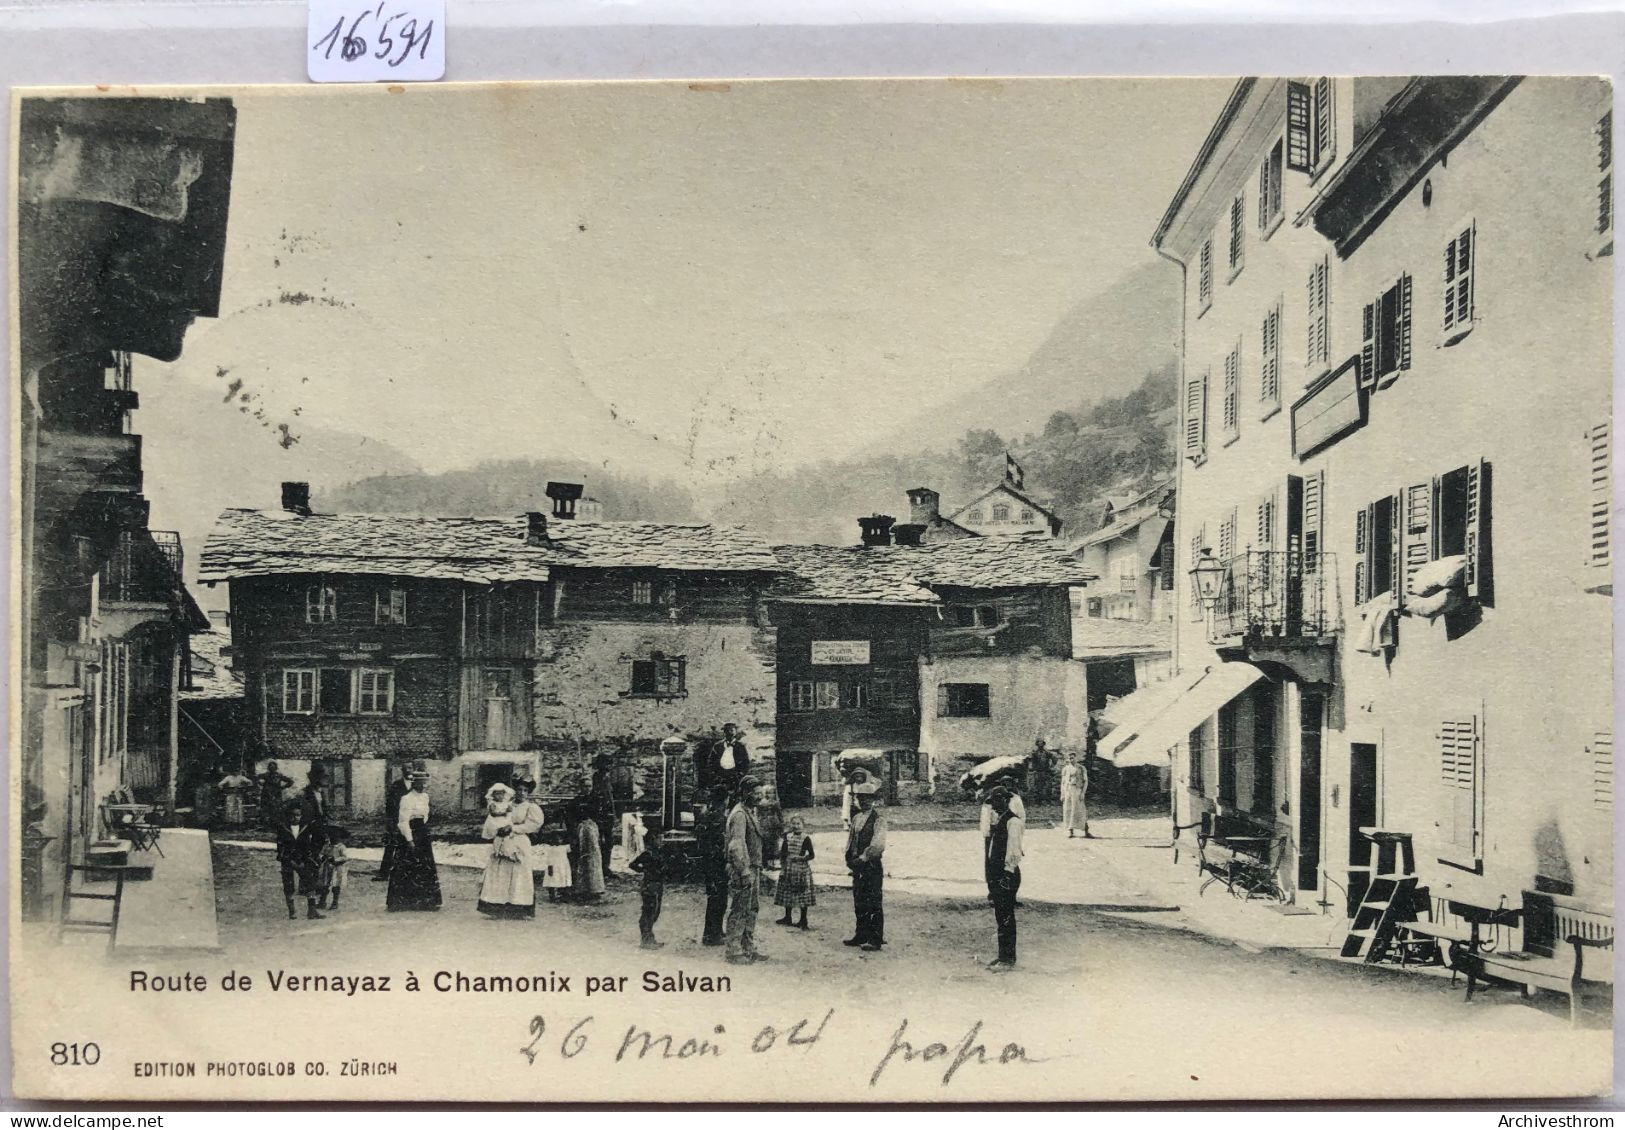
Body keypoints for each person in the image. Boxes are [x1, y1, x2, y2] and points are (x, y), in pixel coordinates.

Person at [478, 782, 542, 919]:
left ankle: (519, 908)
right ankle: (497, 907)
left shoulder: (530, 807)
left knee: (519, 873)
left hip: (519, 841)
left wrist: (513, 828)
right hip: (502, 840)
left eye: (525, 790)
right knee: (500, 872)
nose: (522, 793)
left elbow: (533, 825)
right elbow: (493, 819)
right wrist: (497, 830)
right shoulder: (505, 804)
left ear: (528, 792)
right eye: (519, 789)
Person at [724, 775, 767, 965]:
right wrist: (744, 871)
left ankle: (748, 948)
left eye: (761, 793)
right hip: (744, 869)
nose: (760, 797)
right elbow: (736, 845)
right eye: (756, 793)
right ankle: (733, 951)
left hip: (752, 868)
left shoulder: (750, 811)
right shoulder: (740, 814)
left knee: (751, 909)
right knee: (740, 909)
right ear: (746, 794)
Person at [387, 762, 442, 912]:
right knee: (407, 866)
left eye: (424, 782)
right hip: (410, 832)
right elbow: (403, 821)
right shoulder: (406, 798)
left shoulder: (425, 797)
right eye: (420, 782)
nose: (423, 785)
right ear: (414, 783)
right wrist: (409, 840)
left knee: (425, 866)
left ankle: (426, 901)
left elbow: (425, 816)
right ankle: (403, 902)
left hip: (422, 832)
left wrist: (422, 830)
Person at [843, 770, 887, 952]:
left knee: (873, 901)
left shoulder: (879, 820)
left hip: (871, 865)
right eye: (860, 798)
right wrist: (849, 857)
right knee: (859, 900)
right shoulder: (856, 818)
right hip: (858, 865)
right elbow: (851, 840)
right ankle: (860, 933)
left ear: (874, 800)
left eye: (867, 798)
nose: (863, 801)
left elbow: (878, 844)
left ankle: (875, 938)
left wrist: (864, 857)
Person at [985, 786, 1024, 971]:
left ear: (1004, 800)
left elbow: (1014, 850)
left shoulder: (1013, 822)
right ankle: (1003, 955)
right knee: (1001, 916)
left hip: (1006, 874)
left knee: (1006, 916)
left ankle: (1008, 959)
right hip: (998, 873)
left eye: (996, 802)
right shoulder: (1000, 819)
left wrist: (1008, 873)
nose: (993, 806)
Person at [293, 767, 331, 918]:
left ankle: (317, 893)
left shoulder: (322, 792)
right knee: (310, 861)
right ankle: (310, 897)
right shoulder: (304, 794)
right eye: (322, 777)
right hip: (309, 831)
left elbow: (324, 810)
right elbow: (302, 815)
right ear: (314, 778)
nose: (325, 780)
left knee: (322, 860)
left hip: (321, 829)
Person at [697, 784, 730, 946]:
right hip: (717, 864)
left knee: (714, 899)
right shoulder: (720, 819)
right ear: (725, 800)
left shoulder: (705, 815)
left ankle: (714, 931)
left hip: (707, 863)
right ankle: (712, 934)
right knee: (719, 899)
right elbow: (722, 843)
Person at [628, 827, 668, 949]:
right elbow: (632, 864)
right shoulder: (648, 853)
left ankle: (650, 937)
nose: (662, 841)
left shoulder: (658, 852)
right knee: (649, 912)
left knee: (655, 912)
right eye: (660, 838)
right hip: (649, 885)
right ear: (653, 839)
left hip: (657, 884)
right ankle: (646, 940)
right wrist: (645, 870)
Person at [774, 813, 816, 930]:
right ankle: (788, 917)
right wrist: (783, 866)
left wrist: (801, 858)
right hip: (788, 868)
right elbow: (783, 853)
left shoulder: (806, 838)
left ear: (803, 825)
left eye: (798, 824)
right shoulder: (787, 837)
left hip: (801, 869)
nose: (796, 826)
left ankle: (803, 920)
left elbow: (812, 855)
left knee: (803, 894)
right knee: (787, 892)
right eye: (793, 823)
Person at [375, 760, 410, 881]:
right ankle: (383, 873)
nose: (408, 771)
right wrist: (391, 821)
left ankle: (405, 874)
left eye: (410, 768)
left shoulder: (416, 786)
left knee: (408, 847)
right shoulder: (396, 785)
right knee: (391, 846)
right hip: (396, 821)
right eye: (406, 768)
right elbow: (390, 804)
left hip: (410, 822)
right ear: (402, 771)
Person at [588, 756, 616, 883]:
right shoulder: (597, 778)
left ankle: (606, 867)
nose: (608, 767)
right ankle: (599, 868)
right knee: (599, 842)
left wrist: (613, 813)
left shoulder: (607, 778)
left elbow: (610, 798)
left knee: (609, 842)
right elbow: (597, 796)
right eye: (606, 765)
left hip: (608, 815)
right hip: (599, 814)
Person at [573, 806, 607, 903]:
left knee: (587, 872)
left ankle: (588, 893)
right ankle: (595, 891)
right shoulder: (593, 825)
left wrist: (581, 852)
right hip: (595, 851)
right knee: (594, 871)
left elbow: (583, 842)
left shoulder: (583, 826)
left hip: (587, 852)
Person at [1061, 751, 1092, 838]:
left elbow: (1085, 781)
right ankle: (1070, 830)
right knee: (1068, 810)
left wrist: (1083, 793)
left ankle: (1086, 830)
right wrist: (1062, 793)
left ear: (1076, 758)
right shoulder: (1065, 769)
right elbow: (1063, 782)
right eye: (1069, 758)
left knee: (1080, 810)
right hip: (1068, 790)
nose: (1071, 760)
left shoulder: (1081, 768)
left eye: (1072, 758)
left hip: (1077, 790)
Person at [715, 723, 751, 794]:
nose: (729, 733)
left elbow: (745, 762)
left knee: (735, 794)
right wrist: (716, 775)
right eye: (727, 731)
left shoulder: (740, 746)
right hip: (721, 776)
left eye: (732, 730)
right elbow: (712, 761)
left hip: (735, 775)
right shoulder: (718, 746)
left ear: (735, 732)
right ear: (724, 733)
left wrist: (740, 774)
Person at [257, 761, 293, 830]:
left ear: (276, 768)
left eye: (273, 767)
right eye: (270, 767)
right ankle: (266, 826)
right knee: (266, 810)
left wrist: (283, 787)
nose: (272, 769)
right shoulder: (265, 775)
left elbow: (290, 782)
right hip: (266, 795)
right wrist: (260, 784)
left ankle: (275, 826)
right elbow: (256, 778)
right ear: (268, 768)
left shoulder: (279, 775)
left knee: (276, 810)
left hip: (276, 795)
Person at [322, 826, 351, 911]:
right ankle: (322, 901)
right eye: (331, 836)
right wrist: (322, 857)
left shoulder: (341, 847)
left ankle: (335, 902)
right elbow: (322, 853)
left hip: (337, 868)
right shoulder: (327, 845)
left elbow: (345, 857)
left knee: (335, 884)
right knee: (325, 884)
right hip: (327, 867)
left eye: (336, 837)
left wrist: (335, 859)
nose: (333, 838)